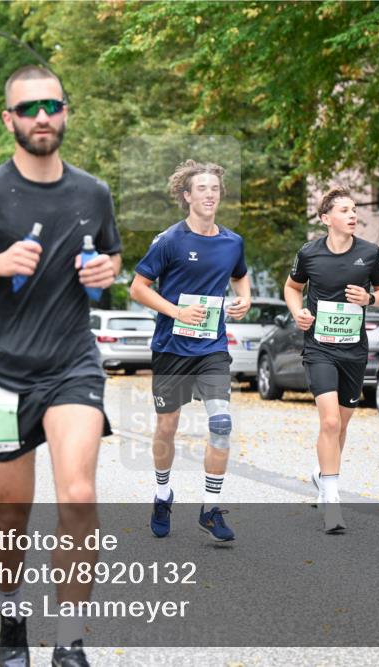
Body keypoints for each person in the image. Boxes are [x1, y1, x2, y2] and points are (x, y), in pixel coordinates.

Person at [0, 65, 122, 667]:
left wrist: (107, 270)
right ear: (10, 119)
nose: (43, 116)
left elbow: (112, 255)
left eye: (52, 105)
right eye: (29, 107)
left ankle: (69, 641)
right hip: (2, 374)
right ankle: (13, 616)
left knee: (80, 494)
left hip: (72, 368)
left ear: (66, 112)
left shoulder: (93, 193)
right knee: (9, 514)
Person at [128, 160, 251, 542]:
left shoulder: (233, 242)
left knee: (221, 424)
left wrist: (243, 298)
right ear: (187, 196)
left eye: (214, 188)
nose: (210, 194)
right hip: (171, 347)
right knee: (167, 426)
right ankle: (163, 494)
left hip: (212, 347)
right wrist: (177, 310)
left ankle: (210, 509)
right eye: (202, 189)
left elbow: (240, 276)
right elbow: (138, 288)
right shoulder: (169, 240)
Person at [283, 185, 379, 533]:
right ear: (326, 218)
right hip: (319, 347)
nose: (353, 215)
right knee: (329, 422)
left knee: (342, 425)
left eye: (354, 210)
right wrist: (297, 312)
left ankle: (322, 474)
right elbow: (292, 287)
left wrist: (369, 298)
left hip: (353, 350)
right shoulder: (309, 253)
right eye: (345, 210)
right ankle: (332, 500)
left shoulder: (371, 253)